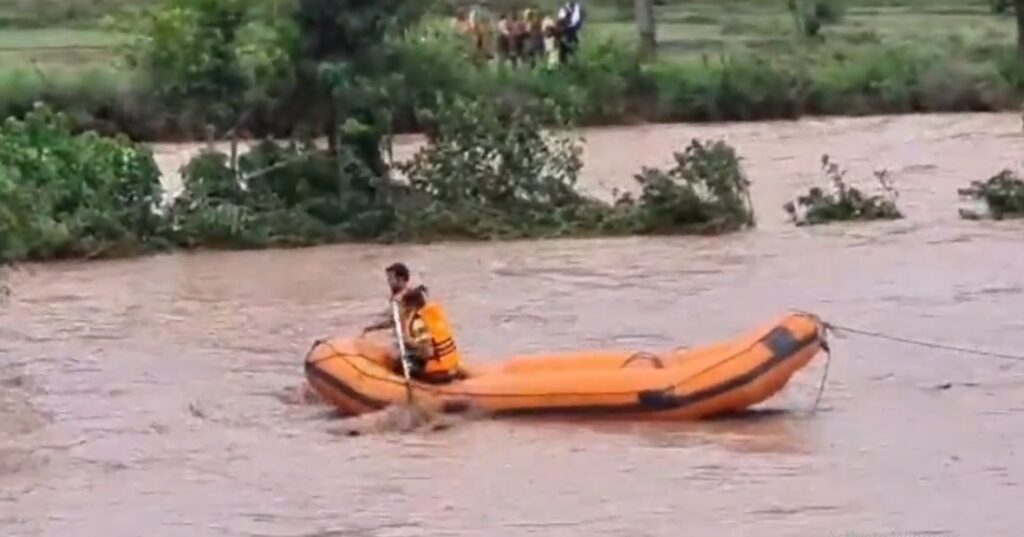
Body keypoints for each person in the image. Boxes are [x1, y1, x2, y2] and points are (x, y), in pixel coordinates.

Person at [397, 286, 463, 384]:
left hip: (438, 371)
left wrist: (408, 342)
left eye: (404, 306)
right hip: (452, 364)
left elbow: (427, 351)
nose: (403, 310)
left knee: (400, 365)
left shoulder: (418, 322)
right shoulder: (435, 313)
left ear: (411, 306)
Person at [361, 262, 422, 335]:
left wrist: (371, 328)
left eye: (390, 278)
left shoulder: (403, 298)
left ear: (400, 279)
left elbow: (393, 320)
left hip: (409, 340)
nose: (388, 281)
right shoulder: (410, 294)